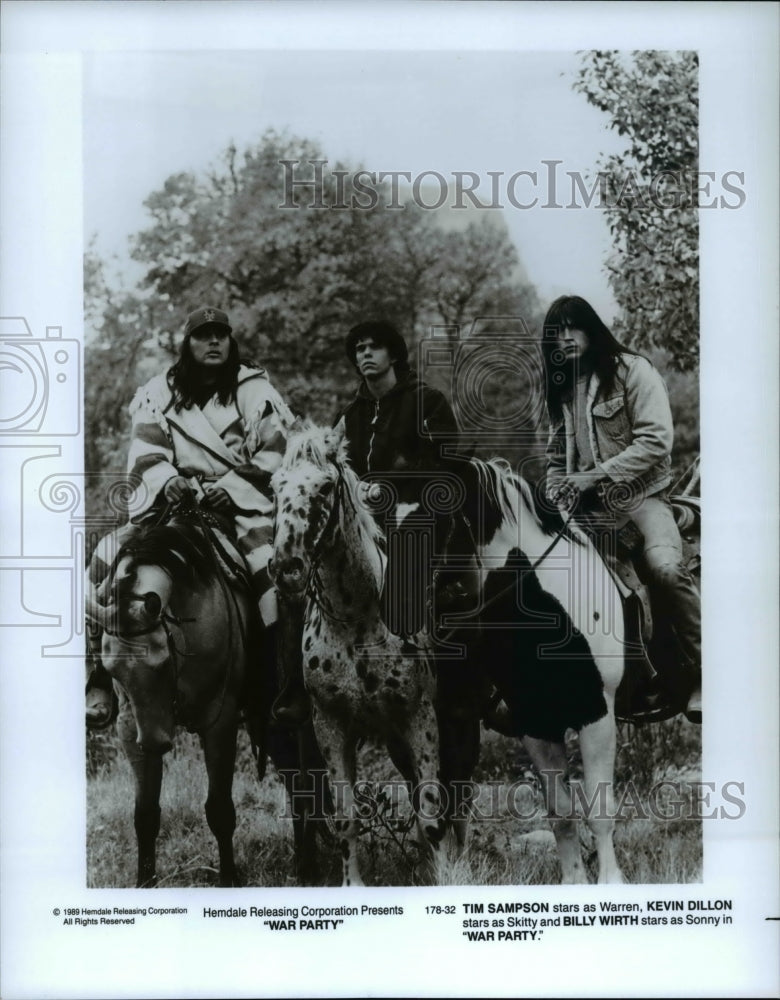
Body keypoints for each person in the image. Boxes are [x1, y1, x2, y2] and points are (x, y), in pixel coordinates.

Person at [86, 305, 295, 730]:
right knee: (106, 555)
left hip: (239, 508)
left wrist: (232, 487)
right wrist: (165, 480)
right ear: (188, 343)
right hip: (173, 506)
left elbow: (275, 450)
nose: (214, 341)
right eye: (203, 335)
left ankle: (281, 683)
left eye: (221, 334)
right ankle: (98, 675)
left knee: (274, 576)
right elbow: (146, 450)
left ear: (231, 340)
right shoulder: (158, 391)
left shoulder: (255, 390)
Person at [271, 319, 485, 726]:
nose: (365, 354)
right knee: (302, 582)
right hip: (362, 527)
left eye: (374, 347)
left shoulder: (428, 401)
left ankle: (468, 688)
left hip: (425, 519)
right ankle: (299, 687)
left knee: (456, 596)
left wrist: (387, 486)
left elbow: (448, 468)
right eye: (359, 349)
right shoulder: (350, 415)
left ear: (394, 354)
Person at [541, 295, 702, 724]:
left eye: (572, 328)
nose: (564, 338)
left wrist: (595, 476)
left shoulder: (634, 370)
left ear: (591, 329)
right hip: (589, 511)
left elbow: (655, 441)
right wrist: (556, 488)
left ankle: (705, 669)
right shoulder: (562, 385)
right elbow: (557, 457)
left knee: (665, 568)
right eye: (556, 332)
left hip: (643, 498)